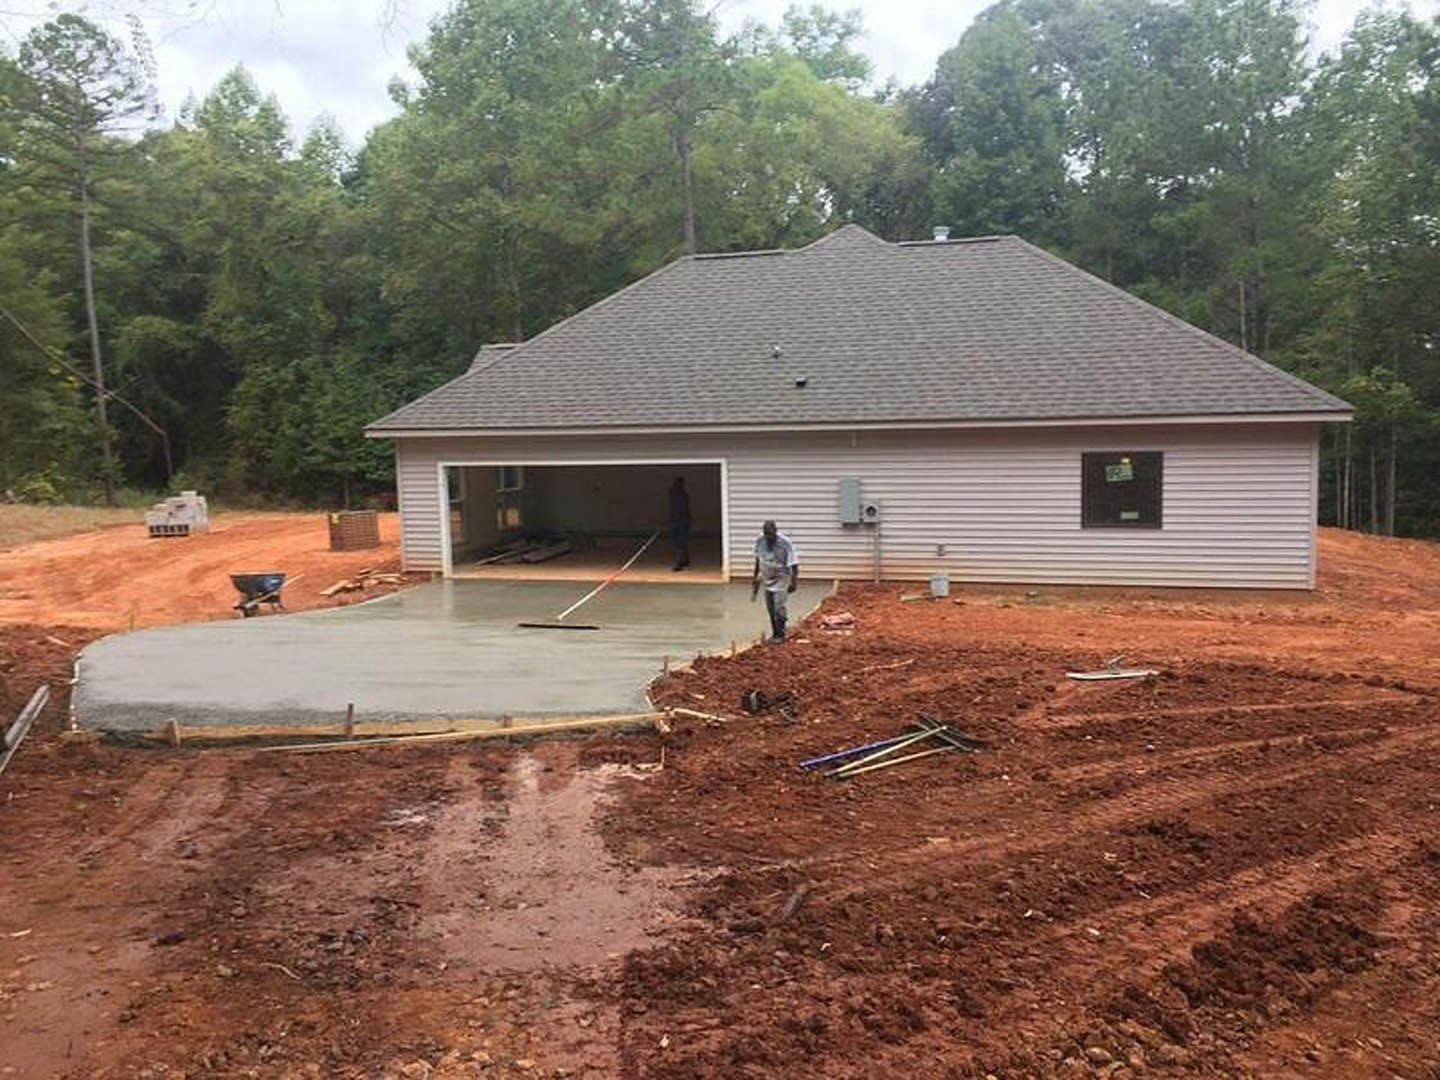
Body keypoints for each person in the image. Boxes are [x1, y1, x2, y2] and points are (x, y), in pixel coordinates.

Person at [751, 520, 799, 642]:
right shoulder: (760, 540)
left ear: (776, 532)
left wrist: (794, 582)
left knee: (779, 607)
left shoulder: (785, 543)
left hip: (781, 578)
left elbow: (794, 564)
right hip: (767, 578)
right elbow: (758, 559)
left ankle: (781, 634)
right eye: (766, 534)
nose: (769, 537)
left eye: (771, 534)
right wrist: (755, 576)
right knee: (770, 608)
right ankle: (775, 633)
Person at [668, 476, 691, 571]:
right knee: (680, 542)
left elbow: (682, 508)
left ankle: (680, 562)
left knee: (680, 542)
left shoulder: (680, 494)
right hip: (679, 520)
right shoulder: (678, 494)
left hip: (681, 521)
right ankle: (684, 560)